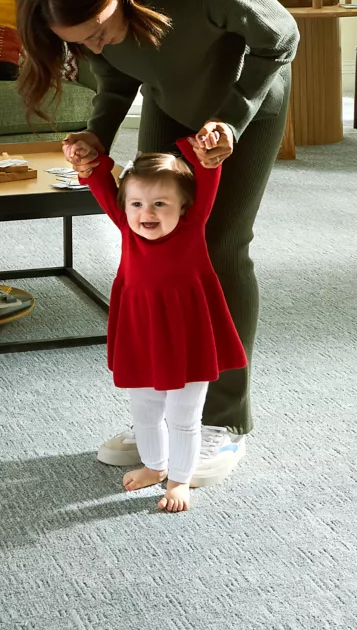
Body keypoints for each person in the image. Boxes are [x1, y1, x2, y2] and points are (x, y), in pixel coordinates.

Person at [15, 0, 297, 487]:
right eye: (82, 43)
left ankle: (222, 420)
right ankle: (171, 417)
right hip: (170, 104)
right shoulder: (89, 18)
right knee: (151, 248)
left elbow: (281, 36)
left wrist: (231, 120)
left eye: (99, 29)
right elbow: (119, 73)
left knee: (218, 248)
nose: (97, 43)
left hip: (244, 107)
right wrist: (97, 133)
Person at [80, 133, 244, 512]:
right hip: (142, 334)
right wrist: (86, 160)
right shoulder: (126, 227)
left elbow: (208, 175)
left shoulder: (193, 225)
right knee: (145, 411)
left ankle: (180, 478)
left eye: (159, 204)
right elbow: (100, 182)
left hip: (188, 336)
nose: (146, 214)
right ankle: (155, 466)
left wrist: (204, 152)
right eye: (136, 204)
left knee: (184, 417)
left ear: (184, 207)